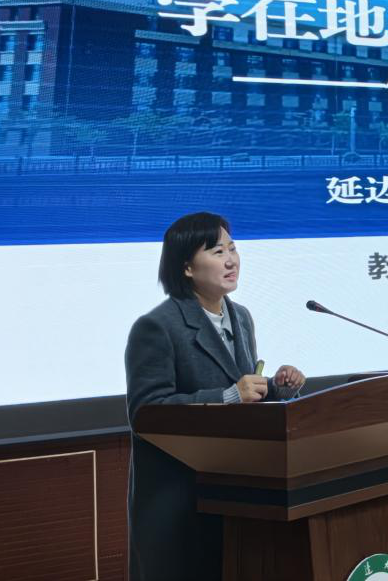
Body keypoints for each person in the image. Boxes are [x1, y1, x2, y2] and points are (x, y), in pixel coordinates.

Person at [124, 212, 305, 581]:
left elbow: (241, 389)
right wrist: (230, 395)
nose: (231, 260)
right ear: (187, 267)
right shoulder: (157, 326)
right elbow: (146, 413)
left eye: (233, 249)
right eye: (217, 251)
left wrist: (276, 387)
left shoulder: (241, 317)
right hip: (178, 495)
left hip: (233, 487)